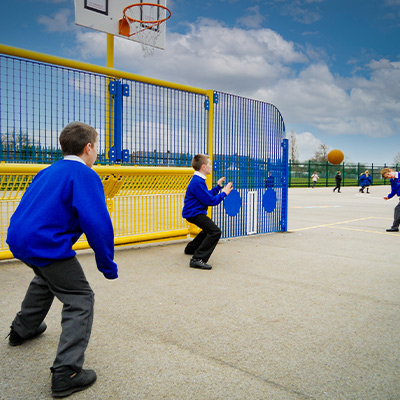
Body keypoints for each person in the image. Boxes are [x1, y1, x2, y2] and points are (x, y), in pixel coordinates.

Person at [6, 122, 118, 398]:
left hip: (20, 239)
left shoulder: (48, 171)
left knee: (46, 277)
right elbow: (98, 224)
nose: (97, 152)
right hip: (45, 244)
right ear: (88, 147)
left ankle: (22, 329)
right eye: (96, 146)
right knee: (80, 297)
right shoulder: (85, 174)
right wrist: (107, 264)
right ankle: (67, 373)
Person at [182, 154, 233, 270]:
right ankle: (197, 259)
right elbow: (210, 201)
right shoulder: (197, 182)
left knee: (208, 230)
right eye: (209, 164)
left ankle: (190, 248)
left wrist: (218, 187)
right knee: (215, 232)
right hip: (194, 213)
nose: (211, 166)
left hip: (194, 212)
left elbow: (206, 196)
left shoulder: (198, 180)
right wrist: (224, 193)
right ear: (204, 167)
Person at [381, 167, 400, 232]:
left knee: (398, 210)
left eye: (388, 174)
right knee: (397, 210)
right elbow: (394, 190)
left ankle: (395, 227)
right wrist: (389, 196)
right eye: (387, 177)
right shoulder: (392, 180)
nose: (389, 176)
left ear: (390, 170)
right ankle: (395, 227)